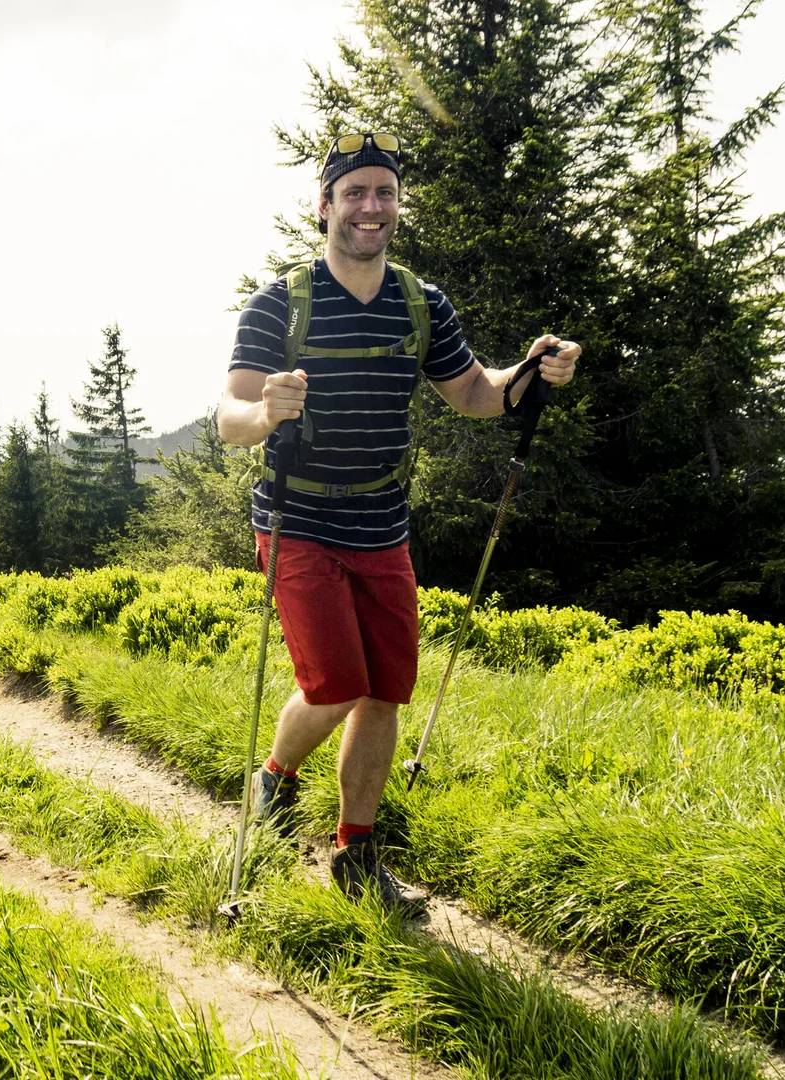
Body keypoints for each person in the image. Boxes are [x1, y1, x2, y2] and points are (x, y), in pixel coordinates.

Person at [216, 133, 581, 911]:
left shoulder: (423, 303)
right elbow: (228, 417)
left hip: (383, 524)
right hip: (297, 520)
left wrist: (534, 369)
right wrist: (264, 409)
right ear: (325, 207)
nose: (370, 206)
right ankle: (274, 777)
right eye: (354, 193)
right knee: (336, 685)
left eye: (383, 192)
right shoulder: (279, 302)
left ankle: (356, 855)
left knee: (385, 689)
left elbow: (477, 393)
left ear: (396, 205)